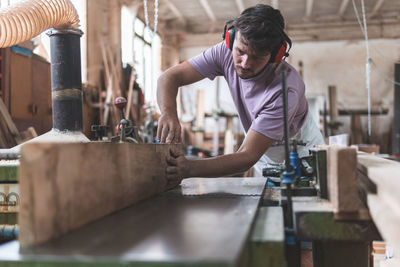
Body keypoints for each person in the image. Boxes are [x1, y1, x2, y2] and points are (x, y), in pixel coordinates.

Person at [157, 4, 324, 184]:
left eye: (257, 57)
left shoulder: (285, 91)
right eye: (240, 51)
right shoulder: (224, 52)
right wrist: (168, 113)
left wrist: (189, 168)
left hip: (301, 155)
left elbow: (247, 156)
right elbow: (169, 77)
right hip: (263, 156)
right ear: (230, 39)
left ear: (276, 54)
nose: (245, 63)